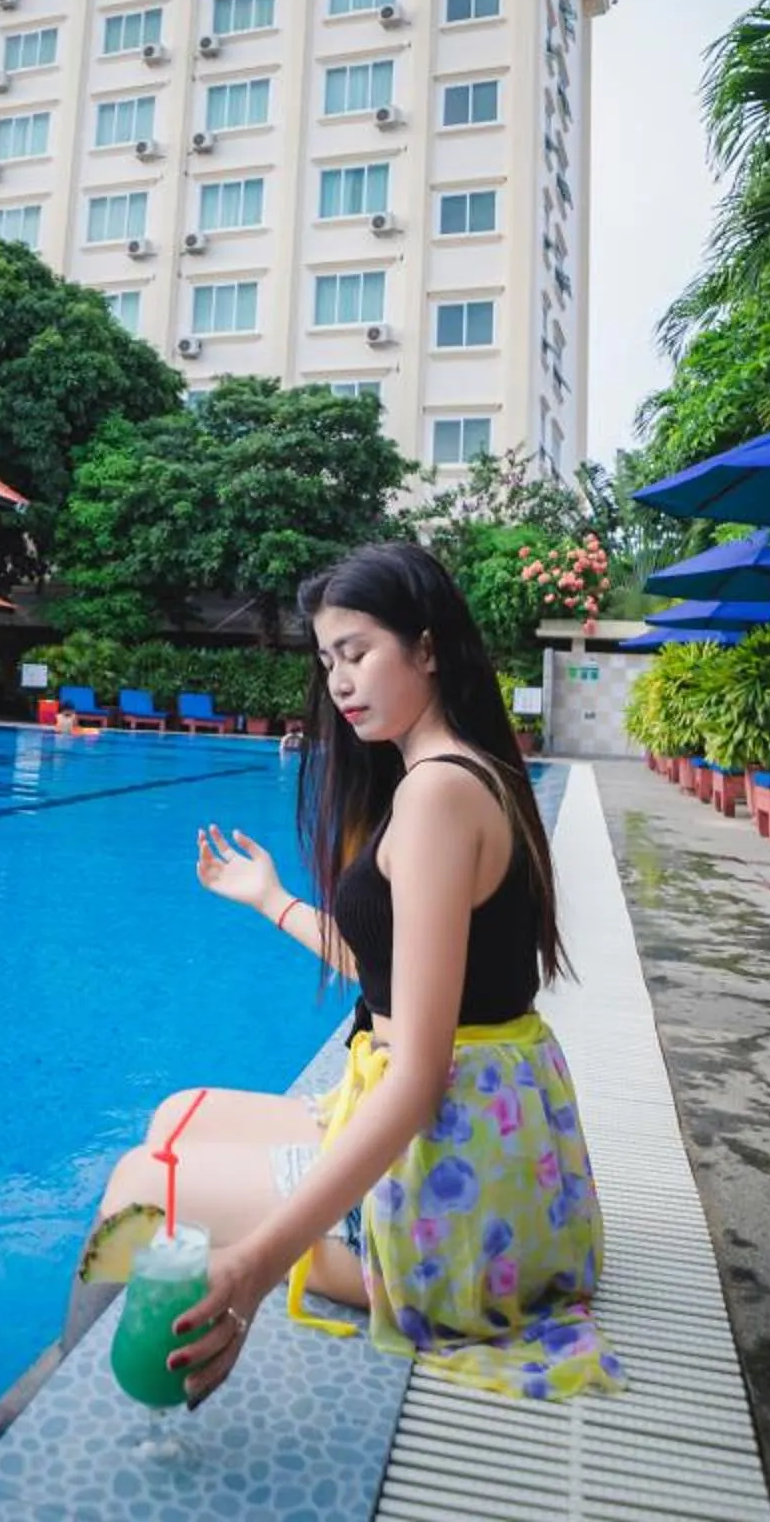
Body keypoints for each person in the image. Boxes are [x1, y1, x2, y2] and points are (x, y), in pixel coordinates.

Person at [105, 541, 621, 1405]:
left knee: (135, 1181)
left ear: (427, 648)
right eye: (327, 661)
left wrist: (255, 1267)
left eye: (356, 653)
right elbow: (396, 972)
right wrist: (271, 899)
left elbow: (416, 1080)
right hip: (494, 1161)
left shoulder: (436, 794)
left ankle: (64, 1387)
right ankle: (69, 1367)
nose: (339, 682)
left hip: (452, 1203)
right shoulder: (464, 772)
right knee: (174, 1114)